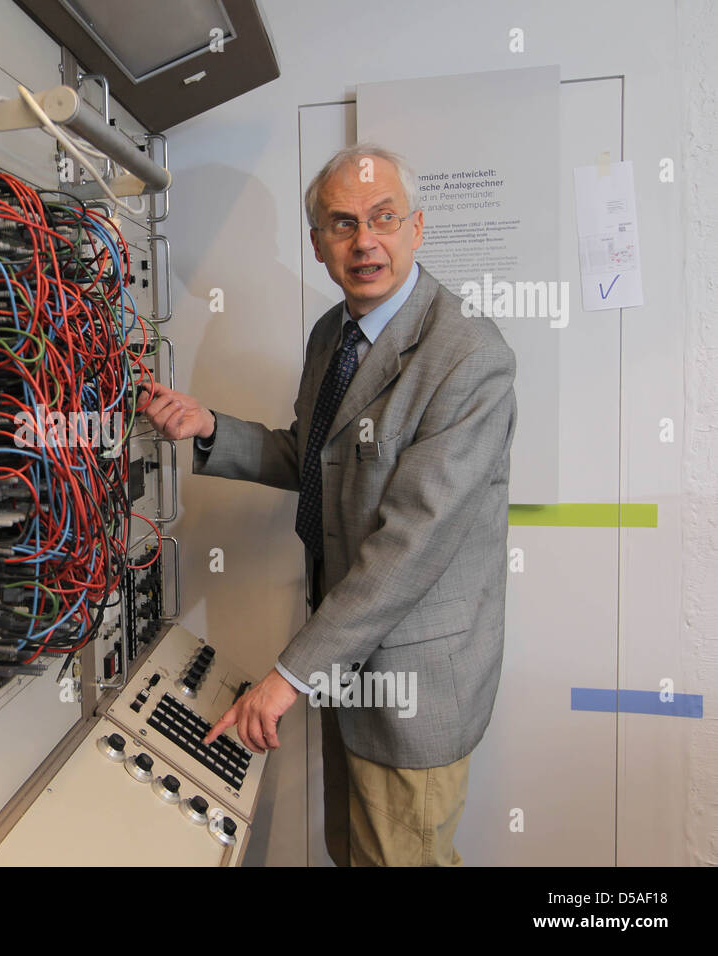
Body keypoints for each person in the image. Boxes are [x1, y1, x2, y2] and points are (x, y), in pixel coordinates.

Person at [138, 143, 517, 866]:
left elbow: (409, 548)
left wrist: (286, 677)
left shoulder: (467, 357)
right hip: (343, 660)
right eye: (342, 224)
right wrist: (212, 427)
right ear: (317, 245)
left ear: (417, 227)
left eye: (383, 218)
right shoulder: (332, 336)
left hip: (411, 686)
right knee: (352, 856)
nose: (365, 241)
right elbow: (317, 460)